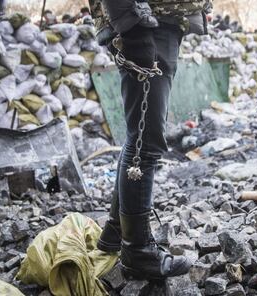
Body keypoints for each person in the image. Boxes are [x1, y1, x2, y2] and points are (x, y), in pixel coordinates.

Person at [89, 0, 212, 280]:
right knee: (146, 141)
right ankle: (138, 253)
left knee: (141, 137)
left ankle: (117, 231)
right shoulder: (138, 27)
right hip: (143, 24)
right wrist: (132, 25)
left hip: (155, 22)